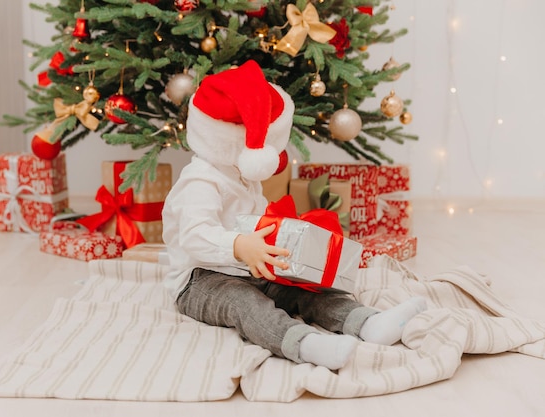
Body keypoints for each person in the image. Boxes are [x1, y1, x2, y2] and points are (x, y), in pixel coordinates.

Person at [162, 60, 427, 370]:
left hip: (247, 266)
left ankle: (366, 322)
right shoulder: (201, 181)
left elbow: (255, 219)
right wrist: (239, 246)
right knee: (245, 304)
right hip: (199, 279)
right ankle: (303, 343)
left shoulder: (244, 175)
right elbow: (194, 236)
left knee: (304, 289)